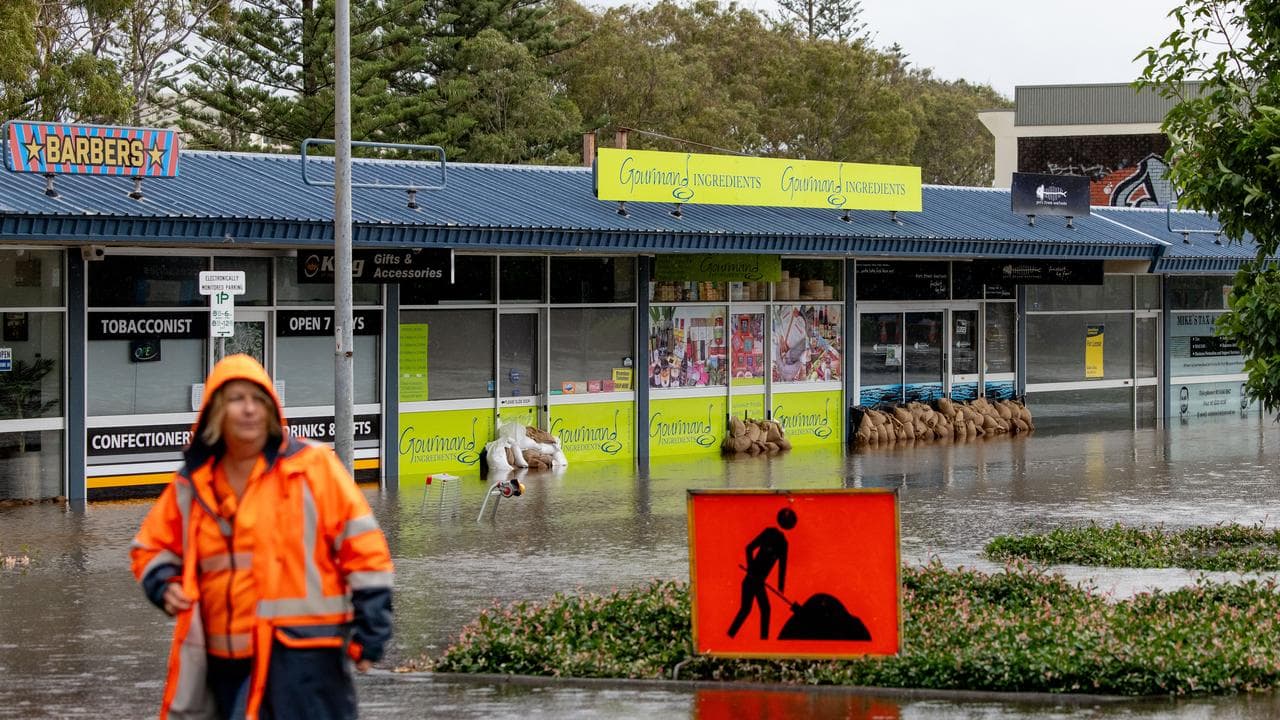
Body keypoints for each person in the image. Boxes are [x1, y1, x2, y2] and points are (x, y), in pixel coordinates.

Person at [130, 354, 394, 720]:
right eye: (237, 399)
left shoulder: (312, 468)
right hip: (214, 663)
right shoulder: (194, 483)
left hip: (299, 659)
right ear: (215, 411)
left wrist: (372, 630)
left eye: (258, 399)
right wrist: (161, 583)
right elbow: (150, 546)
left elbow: (365, 550)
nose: (249, 409)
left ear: (272, 408)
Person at [727, 507, 797, 640]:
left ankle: (760, 640)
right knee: (748, 610)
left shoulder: (783, 543)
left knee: (762, 610)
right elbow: (749, 548)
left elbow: (783, 567)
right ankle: (732, 636)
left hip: (758, 582)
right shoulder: (768, 532)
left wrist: (781, 588)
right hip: (751, 580)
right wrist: (751, 569)